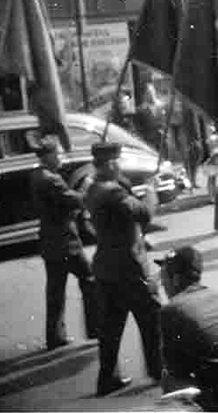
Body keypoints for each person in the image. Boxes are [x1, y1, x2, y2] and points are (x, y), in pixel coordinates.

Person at [84, 142, 162, 396]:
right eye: (117, 161)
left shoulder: (94, 187)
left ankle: (107, 379)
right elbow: (144, 213)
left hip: (106, 266)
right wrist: (151, 191)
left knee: (111, 329)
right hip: (128, 268)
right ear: (109, 164)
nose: (120, 166)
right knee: (152, 319)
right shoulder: (112, 192)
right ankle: (158, 370)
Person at [30, 137, 98, 350]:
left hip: (50, 240)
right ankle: (95, 328)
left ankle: (55, 335)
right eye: (58, 153)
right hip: (66, 241)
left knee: (55, 290)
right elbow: (74, 200)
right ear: (48, 155)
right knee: (90, 279)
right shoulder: (52, 179)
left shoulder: (36, 175)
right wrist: (86, 185)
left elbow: (60, 203)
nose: (62, 157)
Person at [156, 245, 218, 406]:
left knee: (169, 379)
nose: (163, 286)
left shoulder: (171, 310)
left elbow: (176, 369)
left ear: (175, 280)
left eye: (163, 281)